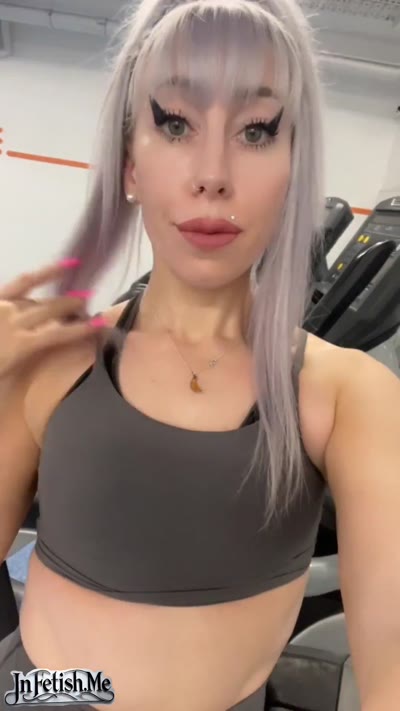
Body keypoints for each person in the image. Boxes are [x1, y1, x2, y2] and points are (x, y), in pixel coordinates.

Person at [0, 1, 400, 709]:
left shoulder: (347, 397)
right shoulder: (50, 361)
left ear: (293, 167)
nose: (212, 174)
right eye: (176, 124)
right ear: (130, 165)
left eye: (256, 131)